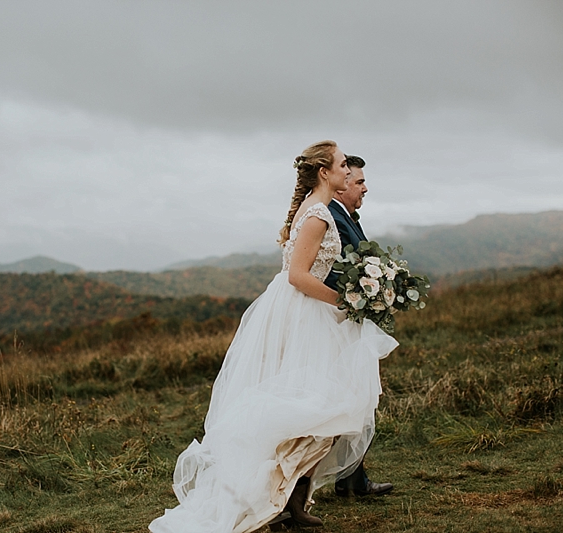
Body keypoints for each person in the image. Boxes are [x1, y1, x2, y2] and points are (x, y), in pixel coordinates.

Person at [149, 141, 398, 533]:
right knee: (317, 406)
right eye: (340, 164)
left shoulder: (312, 209)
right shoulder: (317, 214)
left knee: (313, 408)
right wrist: (346, 302)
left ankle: (290, 500)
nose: (345, 169)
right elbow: (299, 276)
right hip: (306, 314)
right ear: (324, 173)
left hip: (301, 311)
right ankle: (277, 498)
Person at [325, 155, 395, 497]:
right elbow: (329, 272)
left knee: (357, 395)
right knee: (345, 396)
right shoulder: (331, 218)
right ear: (341, 184)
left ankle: (352, 480)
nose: (365, 187)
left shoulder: (344, 215)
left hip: (349, 316)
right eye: (359, 182)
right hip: (335, 320)